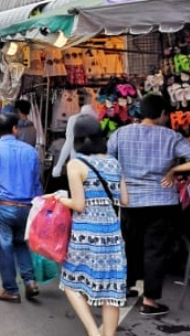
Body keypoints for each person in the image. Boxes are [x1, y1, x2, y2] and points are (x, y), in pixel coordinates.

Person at [109, 94, 190, 315]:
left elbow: (108, 162)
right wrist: (173, 170)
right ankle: (150, 301)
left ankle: (124, 289)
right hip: (162, 201)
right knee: (155, 250)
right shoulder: (171, 137)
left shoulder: (121, 134)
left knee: (129, 246)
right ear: (162, 114)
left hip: (130, 200)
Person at [54, 117, 129, 336]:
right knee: (111, 292)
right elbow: (125, 199)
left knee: (71, 282)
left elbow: (78, 205)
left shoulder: (76, 164)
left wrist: (60, 199)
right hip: (112, 235)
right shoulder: (114, 163)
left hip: (86, 235)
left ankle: (93, 332)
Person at [0, 113, 42, 303]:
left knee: (6, 248)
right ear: (15, 129)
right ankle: (30, 281)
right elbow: (37, 181)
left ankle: (10, 289)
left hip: (4, 206)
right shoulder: (31, 151)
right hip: (27, 206)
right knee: (21, 243)